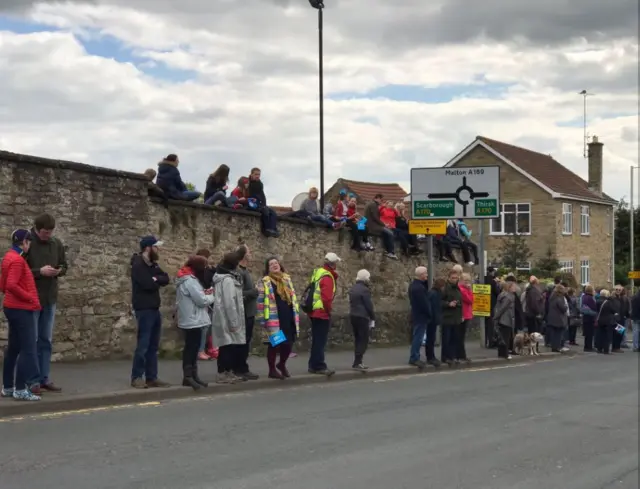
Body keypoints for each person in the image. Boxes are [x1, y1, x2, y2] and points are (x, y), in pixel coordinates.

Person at [25, 213, 67, 393]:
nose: (47, 235)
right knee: (31, 341)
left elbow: (65, 265)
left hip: (50, 298)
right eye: (44, 232)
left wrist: (59, 271)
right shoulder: (27, 244)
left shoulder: (56, 244)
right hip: (32, 299)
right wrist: (39, 271)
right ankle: (31, 380)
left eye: (50, 232)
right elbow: (20, 269)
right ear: (36, 229)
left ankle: (44, 378)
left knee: (46, 341)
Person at [1, 229, 41, 401]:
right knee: (27, 349)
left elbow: (3, 285)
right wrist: (30, 297)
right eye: (29, 242)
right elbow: (10, 285)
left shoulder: (8, 257)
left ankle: (8, 386)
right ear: (24, 242)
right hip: (21, 309)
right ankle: (20, 389)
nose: (29, 245)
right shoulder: (18, 260)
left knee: (14, 348)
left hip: (11, 307)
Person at [130, 235, 171, 389]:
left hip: (154, 308)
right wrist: (155, 280)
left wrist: (156, 279)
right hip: (144, 308)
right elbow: (147, 284)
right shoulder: (138, 265)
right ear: (148, 248)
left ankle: (151, 377)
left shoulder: (153, 265)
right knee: (143, 345)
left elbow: (165, 278)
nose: (158, 249)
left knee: (153, 345)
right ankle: (136, 377)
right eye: (155, 246)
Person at [175, 255, 214, 390]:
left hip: (192, 319)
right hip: (193, 320)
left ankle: (193, 375)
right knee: (191, 349)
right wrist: (211, 296)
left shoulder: (188, 279)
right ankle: (188, 376)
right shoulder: (190, 281)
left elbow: (197, 296)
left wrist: (204, 293)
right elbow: (201, 301)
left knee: (193, 348)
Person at [257, 256, 300, 379]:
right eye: (271, 264)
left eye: (276, 263)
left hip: (288, 316)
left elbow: (293, 297)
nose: (275, 265)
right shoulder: (265, 281)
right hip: (274, 318)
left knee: (288, 344)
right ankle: (272, 370)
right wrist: (262, 319)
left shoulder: (286, 279)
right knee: (275, 345)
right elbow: (260, 301)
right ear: (268, 268)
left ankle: (281, 364)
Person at [211, 251, 246, 383]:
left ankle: (227, 371)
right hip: (227, 317)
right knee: (227, 346)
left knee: (227, 345)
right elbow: (229, 302)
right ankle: (223, 373)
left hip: (223, 316)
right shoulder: (228, 280)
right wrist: (234, 322)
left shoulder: (222, 277)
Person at [307, 252, 340, 376]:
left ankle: (313, 364)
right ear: (333, 264)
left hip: (314, 311)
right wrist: (329, 310)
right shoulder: (328, 276)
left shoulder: (318, 272)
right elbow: (326, 298)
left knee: (316, 340)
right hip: (321, 313)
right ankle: (319, 365)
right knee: (320, 341)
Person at [235, 245, 259, 380]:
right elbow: (238, 293)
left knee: (246, 341)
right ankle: (240, 368)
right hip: (243, 313)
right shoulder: (239, 272)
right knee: (242, 342)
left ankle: (242, 367)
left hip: (249, 312)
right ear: (243, 255)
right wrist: (254, 292)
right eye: (249, 251)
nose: (251, 254)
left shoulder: (244, 271)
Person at [348, 269, 375, 371]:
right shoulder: (365, 290)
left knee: (357, 339)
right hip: (362, 316)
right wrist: (373, 317)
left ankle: (357, 361)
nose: (369, 279)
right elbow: (368, 305)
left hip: (353, 315)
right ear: (365, 278)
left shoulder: (353, 288)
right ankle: (358, 362)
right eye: (368, 278)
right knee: (363, 339)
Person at [194, 248, 218, 361]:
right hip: (203, 301)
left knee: (207, 326)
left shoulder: (208, 270)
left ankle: (206, 349)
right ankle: (200, 350)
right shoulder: (197, 272)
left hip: (208, 301)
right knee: (204, 327)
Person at [408, 266, 431, 368]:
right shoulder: (419, 288)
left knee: (418, 336)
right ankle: (414, 357)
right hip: (420, 316)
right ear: (421, 275)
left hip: (417, 314)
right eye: (426, 273)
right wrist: (429, 313)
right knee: (418, 337)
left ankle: (415, 356)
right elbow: (424, 303)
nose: (427, 275)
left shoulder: (414, 285)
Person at [364, 193, 398, 260]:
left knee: (386, 234)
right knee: (390, 233)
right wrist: (384, 224)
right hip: (373, 226)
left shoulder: (371, 204)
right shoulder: (373, 205)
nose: (382, 202)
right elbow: (375, 217)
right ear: (377, 198)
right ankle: (391, 252)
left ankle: (387, 250)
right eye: (381, 200)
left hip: (372, 225)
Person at [248, 167, 279, 237]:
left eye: (259, 174)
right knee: (265, 211)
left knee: (273, 212)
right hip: (252, 203)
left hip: (260, 203)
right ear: (251, 174)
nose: (257, 176)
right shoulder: (248, 183)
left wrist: (264, 204)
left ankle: (272, 229)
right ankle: (266, 229)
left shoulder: (260, 184)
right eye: (256, 174)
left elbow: (262, 195)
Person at [441, 269, 462, 365]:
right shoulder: (445, 288)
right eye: (453, 278)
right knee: (446, 339)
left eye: (456, 278)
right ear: (449, 278)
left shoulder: (458, 289)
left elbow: (460, 301)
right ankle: (445, 357)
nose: (455, 280)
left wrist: (458, 304)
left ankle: (453, 356)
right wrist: (448, 304)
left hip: (456, 317)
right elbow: (439, 301)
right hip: (447, 317)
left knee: (454, 338)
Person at [493, 281, 516, 359]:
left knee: (502, 336)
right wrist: (496, 317)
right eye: (513, 286)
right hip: (506, 318)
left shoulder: (502, 295)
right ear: (509, 288)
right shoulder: (509, 297)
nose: (515, 288)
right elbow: (502, 308)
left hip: (502, 319)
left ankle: (501, 353)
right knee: (506, 337)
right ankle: (505, 354)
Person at [425, 278, 445, 367]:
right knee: (430, 338)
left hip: (433, 318)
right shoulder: (434, 294)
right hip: (432, 319)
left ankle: (431, 356)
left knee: (431, 338)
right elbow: (432, 307)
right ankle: (430, 357)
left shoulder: (434, 293)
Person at [546, 284, 570, 353]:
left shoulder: (552, 296)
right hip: (559, 318)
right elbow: (562, 308)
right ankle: (556, 347)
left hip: (552, 317)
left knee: (554, 333)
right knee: (558, 334)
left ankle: (554, 347)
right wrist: (566, 306)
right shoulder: (560, 297)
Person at [457, 272, 473, 363]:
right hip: (463, 314)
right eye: (465, 280)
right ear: (461, 280)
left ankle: (461, 355)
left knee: (461, 336)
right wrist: (470, 290)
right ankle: (461, 355)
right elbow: (470, 300)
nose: (467, 283)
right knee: (460, 336)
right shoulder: (462, 290)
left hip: (466, 314)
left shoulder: (464, 289)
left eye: (468, 280)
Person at [595, 289, 618, 354]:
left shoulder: (597, 301)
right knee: (607, 335)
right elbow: (613, 310)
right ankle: (606, 350)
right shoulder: (608, 302)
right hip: (608, 320)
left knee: (600, 334)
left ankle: (599, 349)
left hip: (600, 320)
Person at [484, 267, 501, 348]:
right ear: (492, 272)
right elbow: (497, 292)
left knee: (484, 324)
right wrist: (498, 284)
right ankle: (490, 342)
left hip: (482, 304)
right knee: (490, 324)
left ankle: (484, 341)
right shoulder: (492, 281)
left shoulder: (482, 279)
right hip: (491, 304)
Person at [580, 285, 598, 352]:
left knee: (587, 333)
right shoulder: (590, 298)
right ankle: (589, 347)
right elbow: (594, 307)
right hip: (590, 317)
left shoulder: (584, 297)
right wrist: (595, 313)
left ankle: (586, 346)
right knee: (590, 333)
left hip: (585, 317)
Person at [611, 285, 629, 352]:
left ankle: (617, 346)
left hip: (621, 318)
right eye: (617, 289)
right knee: (616, 333)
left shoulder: (622, 298)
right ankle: (615, 347)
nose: (618, 291)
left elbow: (625, 308)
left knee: (620, 333)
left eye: (619, 290)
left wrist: (627, 315)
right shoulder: (613, 298)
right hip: (616, 318)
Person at [630, 287, 640, 352]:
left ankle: (635, 346)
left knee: (635, 332)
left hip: (635, 317)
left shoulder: (634, 297)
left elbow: (632, 308)